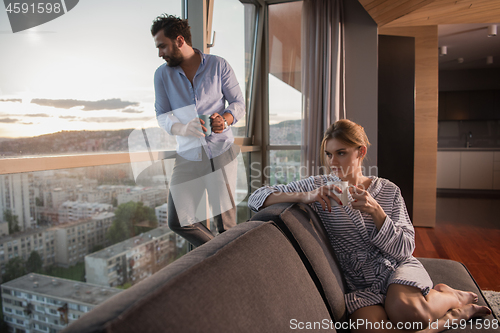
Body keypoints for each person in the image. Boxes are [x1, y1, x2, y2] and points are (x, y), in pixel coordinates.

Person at [248, 119, 491, 332]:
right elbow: (256, 198)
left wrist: (377, 212)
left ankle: (451, 296)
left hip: (395, 268)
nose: (333, 162)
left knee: (410, 315)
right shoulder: (320, 185)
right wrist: (307, 196)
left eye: (341, 153)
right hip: (359, 281)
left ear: (360, 152)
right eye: (329, 154)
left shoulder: (388, 190)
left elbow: (406, 249)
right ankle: (453, 317)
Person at [151, 14, 245, 247]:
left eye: (162, 46)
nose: (159, 53)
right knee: (178, 220)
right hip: (187, 155)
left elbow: (238, 104)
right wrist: (183, 127)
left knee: (226, 226)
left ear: (180, 40)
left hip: (220, 151)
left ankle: (226, 268)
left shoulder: (218, 65)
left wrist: (225, 119)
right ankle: (221, 251)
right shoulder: (162, 75)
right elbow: (162, 115)